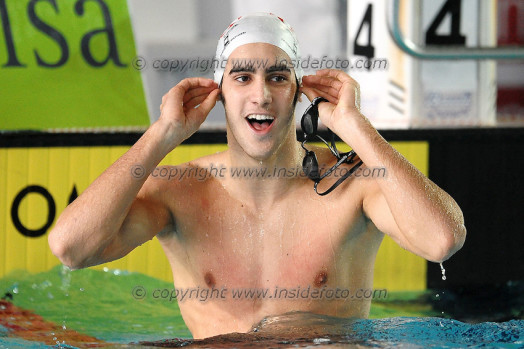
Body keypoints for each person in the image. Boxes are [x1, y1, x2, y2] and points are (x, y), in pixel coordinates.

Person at [48, 13, 466, 339]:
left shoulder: (351, 183)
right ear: (220, 92)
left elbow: (442, 240)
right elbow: (71, 248)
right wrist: (161, 135)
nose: (261, 94)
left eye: (278, 77)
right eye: (243, 77)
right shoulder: (178, 191)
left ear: (300, 91)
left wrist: (356, 128)